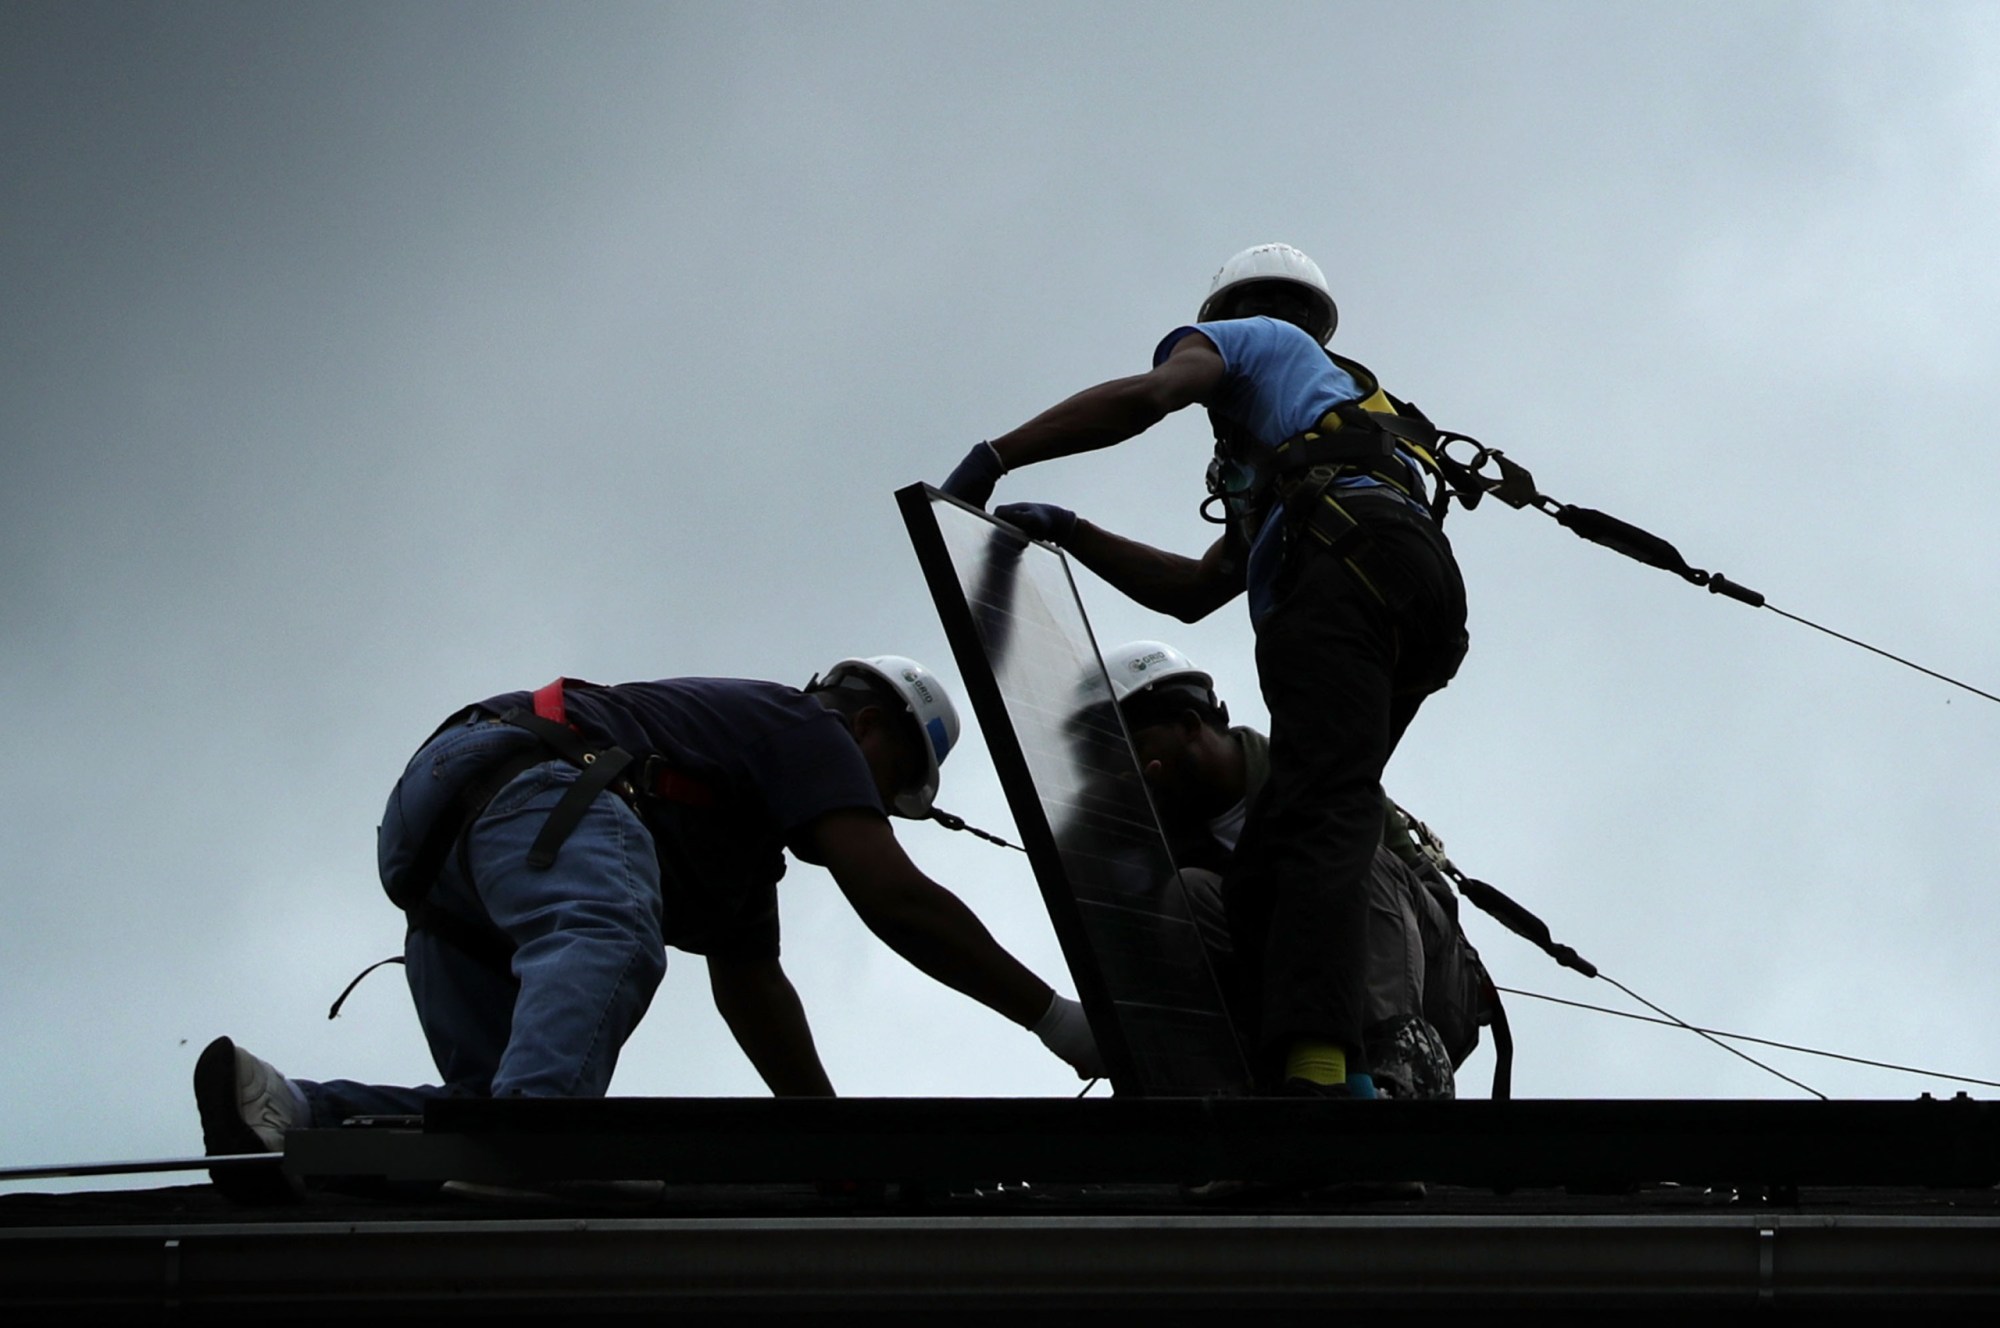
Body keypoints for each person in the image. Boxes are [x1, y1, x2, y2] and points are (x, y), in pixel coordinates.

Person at [195, 659, 1102, 1198]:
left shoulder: (738, 842)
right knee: (614, 938)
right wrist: (1055, 1018)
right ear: (869, 727)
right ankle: (535, 1140)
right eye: (886, 786)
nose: (869, 810)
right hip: (542, 786)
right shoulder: (807, 726)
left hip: (439, 834)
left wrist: (834, 1149)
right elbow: (897, 898)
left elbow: (755, 993)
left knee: (472, 1127)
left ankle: (295, 1110)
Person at [941, 243, 1469, 1097]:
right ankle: (1322, 1073)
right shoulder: (1321, 427)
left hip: (1345, 573)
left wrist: (998, 457)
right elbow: (1193, 591)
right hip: (1418, 600)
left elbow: (1149, 399)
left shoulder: (1252, 342)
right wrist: (1072, 531)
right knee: (1275, 855)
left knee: (1316, 822)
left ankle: (1326, 1079)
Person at [1101, 640, 1465, 1101]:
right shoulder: (1166, 841)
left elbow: (1429, 903)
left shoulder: (1313, 772)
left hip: (1425, 979)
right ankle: (1250, 1095)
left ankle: (1391, 1083)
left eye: (1138, 747)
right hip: (1299, 1002)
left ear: (1190, 725)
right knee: (1188, 894)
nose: (1132, 770)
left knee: (1346, 851)